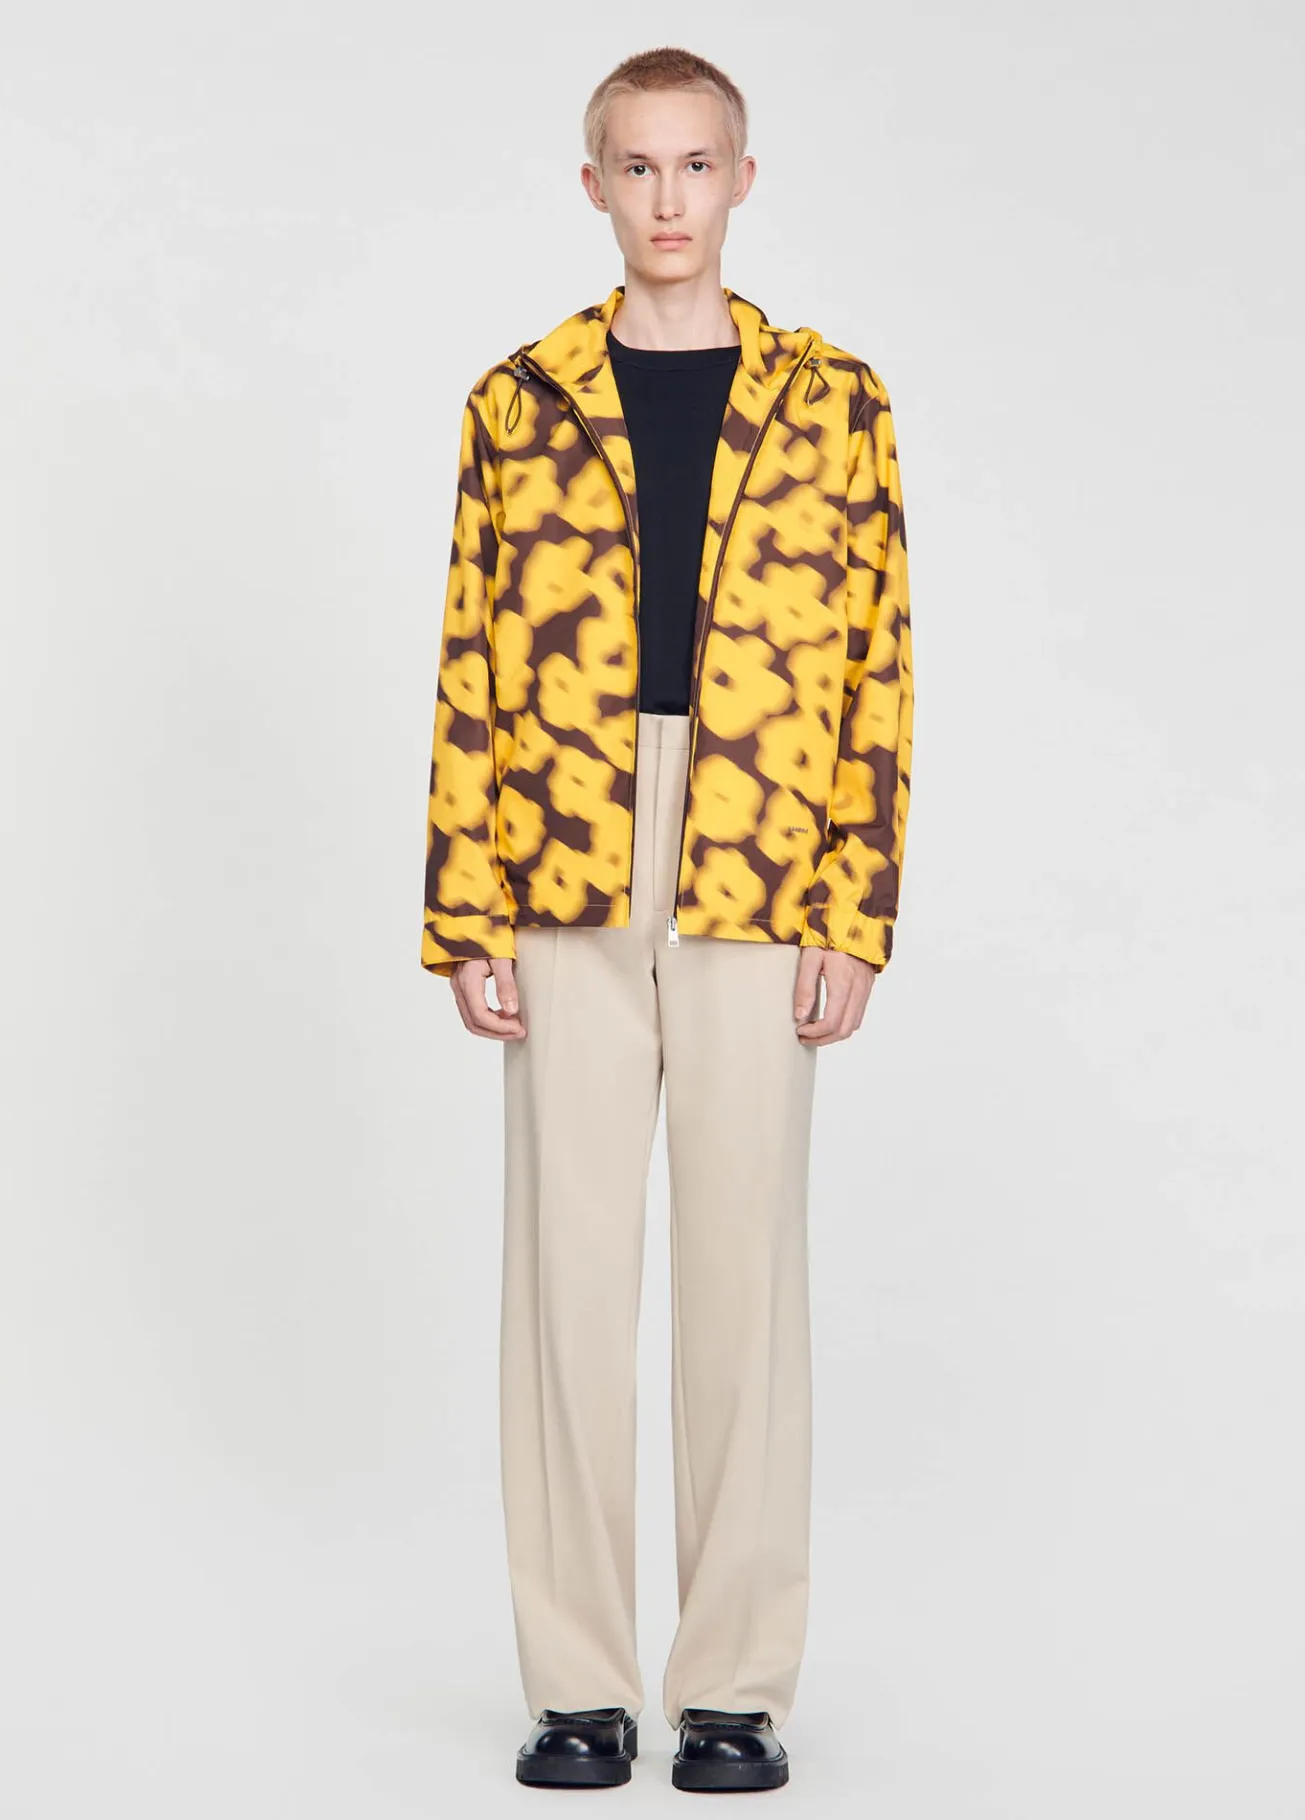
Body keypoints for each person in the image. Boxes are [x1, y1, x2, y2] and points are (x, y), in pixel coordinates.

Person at [418, 44, 914, 1793]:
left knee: (742, 1285)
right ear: (595, 188)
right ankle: (577, 1685)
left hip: (759, 853)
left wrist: (855, 908)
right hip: (562, 845)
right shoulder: (517, 401)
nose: (669, 198)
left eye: (697, 165)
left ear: (743, 180)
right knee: (564, 1281)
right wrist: (464, 908)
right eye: (637, 167)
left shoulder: (834, 402)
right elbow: (470, 655)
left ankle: (734, 1688)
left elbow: (880, 663)